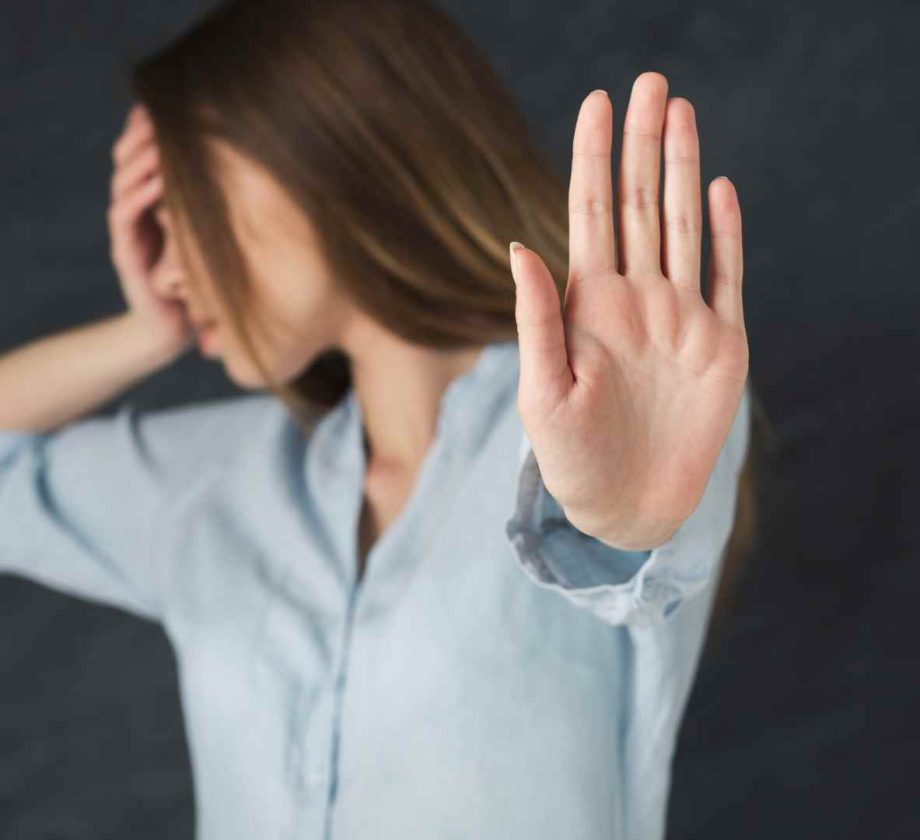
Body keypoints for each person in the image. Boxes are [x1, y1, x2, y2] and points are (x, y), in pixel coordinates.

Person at [0, 0, 760, 837]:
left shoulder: (620, 414)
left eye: (184, 199)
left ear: (320, 151)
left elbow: (637, 525)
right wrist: (147, 333)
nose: (171, 260)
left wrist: (617, 521)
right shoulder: (219, 484)